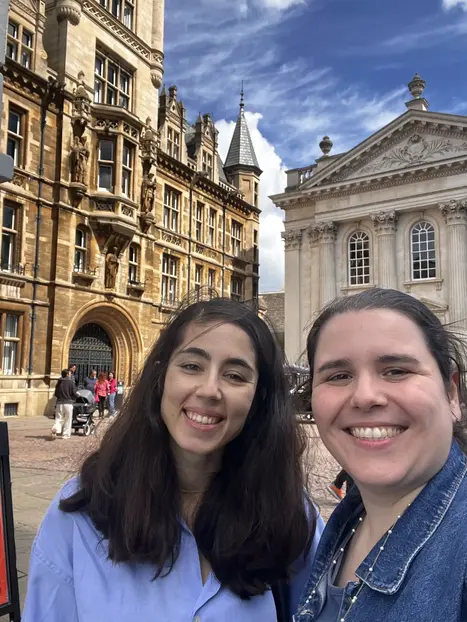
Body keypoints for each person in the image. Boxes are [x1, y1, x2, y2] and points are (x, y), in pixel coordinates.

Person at [23, 298, 324, 621]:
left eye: (235, 376)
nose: (209, 390)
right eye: (192, 366)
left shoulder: (289, 513)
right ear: (161, 375)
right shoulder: (81, 513)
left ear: (259, 399)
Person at [295, 288, 467, 622]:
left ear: (451, 393)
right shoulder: (348, 523)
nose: (365, 396)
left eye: (396, 371)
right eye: (339, 376)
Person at [51, 369, 77, 440]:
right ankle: (65, 435)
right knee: (68, 419)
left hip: (59, 403)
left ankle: (55, 428)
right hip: (68, 403)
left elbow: (56, 394)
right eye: (70, 374)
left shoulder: (59, 382)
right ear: (67, 374)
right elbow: (74, 393)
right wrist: (76, 397)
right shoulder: (71, 382)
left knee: (58, 418)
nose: (70, 375)